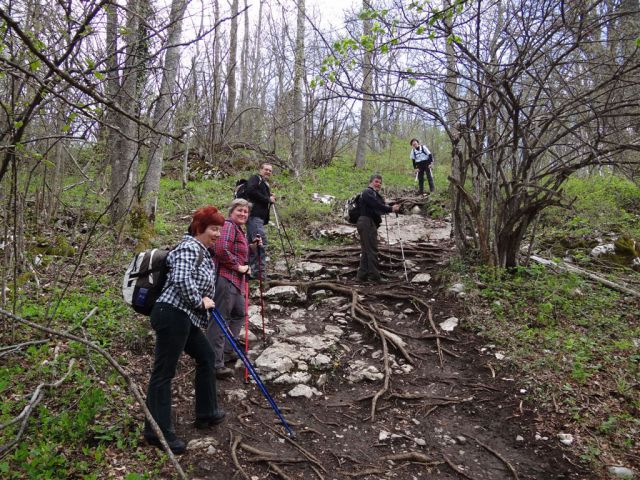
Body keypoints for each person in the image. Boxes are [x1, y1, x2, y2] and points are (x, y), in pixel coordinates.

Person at [143, 205, 226, 454]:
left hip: (185, 316)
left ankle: (206, 413)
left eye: (220, 230)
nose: (218, 234)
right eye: (214, 229)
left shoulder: (201, 250)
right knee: (164, 373)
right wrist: (200, 301)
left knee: (207, 356)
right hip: (172, 314)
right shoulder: (189, 246)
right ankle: (158, 432)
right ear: (199, 228)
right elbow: (180, 278)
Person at [206, 198, 261, 379]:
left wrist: (252, 247)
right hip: (225, 278)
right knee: (221, 320)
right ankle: (214, 363)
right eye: (240, 210)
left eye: (246, 212)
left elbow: (238, 251)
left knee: (239, 313)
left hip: (236, 281)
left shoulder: (239, 230)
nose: (243, 214)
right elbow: (221, 250)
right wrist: (238, 267)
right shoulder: (228, 225)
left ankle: (228, 351)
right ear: (232, 211)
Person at [356, 175, 400, 283]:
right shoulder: (367, 192)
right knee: (372, 250)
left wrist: (388, 207)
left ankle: (362, 276)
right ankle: (375, 277)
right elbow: (376, 204)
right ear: (370, 182)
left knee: (366, 250)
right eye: (376, 182)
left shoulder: (373, 194)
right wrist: (390, 209)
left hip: (366, 222)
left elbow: (378, 205)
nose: (378, 184)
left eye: (380, 183)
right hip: (367, 222)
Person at [244, 162, 275, 281]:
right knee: (260, 243)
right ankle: (258, 274)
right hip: (254, 217)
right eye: (266, 169)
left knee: (253, 244)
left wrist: (268, 195)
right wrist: (268, 199)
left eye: (270, 171)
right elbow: (250, 191)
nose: (268, 172)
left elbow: (257, 194)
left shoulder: (264, 183)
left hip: (257, 219)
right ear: (260, 170)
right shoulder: (255, 178)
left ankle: (251, 272)